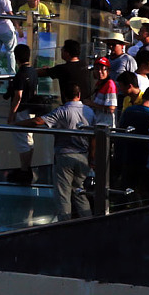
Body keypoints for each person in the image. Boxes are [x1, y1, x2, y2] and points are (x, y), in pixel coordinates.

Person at [33, 83, 94, 218]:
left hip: (64, 155)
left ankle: (64, 224)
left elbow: (38, 121)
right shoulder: (89, 111)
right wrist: (92, 157)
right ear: (79, 95)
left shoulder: (62, 111)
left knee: (63, 194)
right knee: (80, 192)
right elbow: (94, 136)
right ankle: (88, 220)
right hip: (83, 156)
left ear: (64, 96)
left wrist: (16, 123)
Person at [5, 44, 42, 177]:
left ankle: (24, 170)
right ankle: (27, 168)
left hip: (21, 111)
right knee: (29, 140)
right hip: (32, 108)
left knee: (22, 142)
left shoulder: (20, 74)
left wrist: (12, 114)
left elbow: (18, 96)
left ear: (17, 58)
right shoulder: (33, 71)